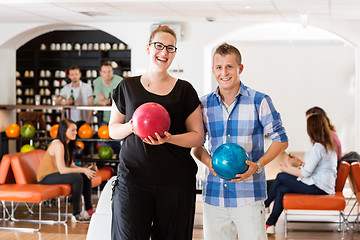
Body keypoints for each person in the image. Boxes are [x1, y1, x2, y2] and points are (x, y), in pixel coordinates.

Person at [108, 25, 204, 239]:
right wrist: (132, 126)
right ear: (148, 48)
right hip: (133, 181)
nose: (164, 52)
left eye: (170, 48)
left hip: (175, 183)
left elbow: (197, 136)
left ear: (175, 53)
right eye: (159, 46)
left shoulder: (185, 90)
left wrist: (170, 139)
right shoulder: (127, 86)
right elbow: (113, 130)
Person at [193, 43, 288, 240]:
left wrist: (258, 165)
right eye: (219, 67)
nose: (224, 72)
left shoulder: (259, 101)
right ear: (213, 70)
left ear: (240, 69)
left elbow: (281, 140)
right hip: (214, 197)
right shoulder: (203, 105)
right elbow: (197, 147)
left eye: (229, 66)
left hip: (249, 197)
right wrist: (209, 162)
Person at [264, 114, 337, 234]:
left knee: (281, 176)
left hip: (318, 187)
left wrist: (286, 168)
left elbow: (306, 173)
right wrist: (299, 163)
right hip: (321, 185)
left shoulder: (319, 147)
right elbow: (313, 168)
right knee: (282, 189)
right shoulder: (327, 146)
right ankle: (270, 224)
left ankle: (265, 205)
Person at [37, 119, 97, 222]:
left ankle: (89, 210)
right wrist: (83, 170)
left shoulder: (67, 144)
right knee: (77, 177)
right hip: (46, 177)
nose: (76, 133)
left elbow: (71, 165)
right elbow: (63, 170)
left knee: (84, 175)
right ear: (64, 131)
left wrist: (85, 170)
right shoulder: (58, 145)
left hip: (55, 175)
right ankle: (76, 214)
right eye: (73, 130)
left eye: (76, 130)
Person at [93, 61, 123, 155]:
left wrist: (104, 100)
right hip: (106, 117)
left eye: (109, 71)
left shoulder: (119, 80)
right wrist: (103, 101)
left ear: (112, 71)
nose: (107, 74)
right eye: (104, 72)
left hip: (120, 117)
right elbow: (97, 99)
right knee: (103, 140)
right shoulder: (97, 81)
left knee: (119, 139)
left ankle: (118, 159)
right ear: (100, 72)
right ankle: (107, 161)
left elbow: (121, 98)